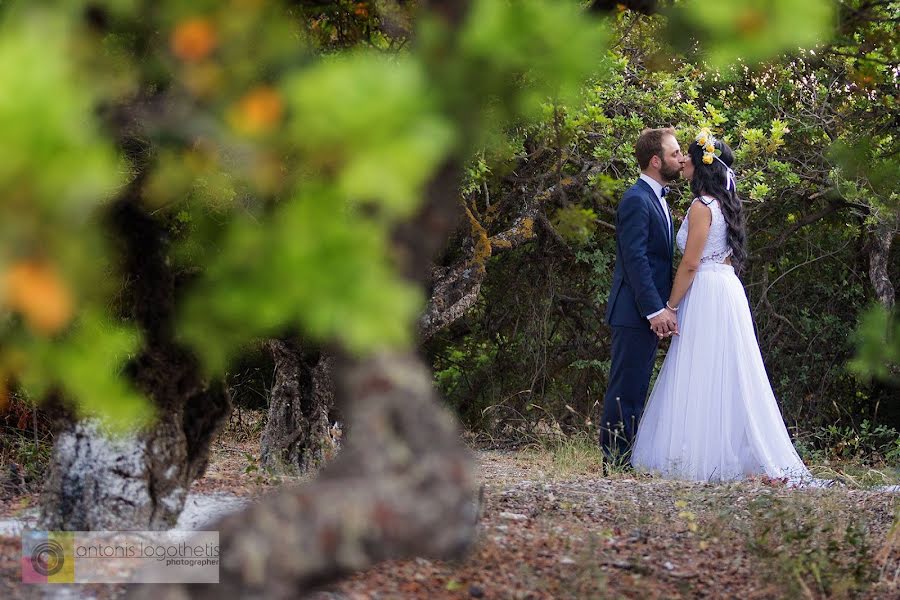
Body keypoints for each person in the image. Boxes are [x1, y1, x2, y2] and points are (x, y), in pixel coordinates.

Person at [630, 128, 811, 482]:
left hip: (707, 290)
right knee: (723, 371)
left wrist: (669, 304)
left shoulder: (702, 206)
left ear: (700, 166)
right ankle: (724, 454)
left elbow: (691, 263)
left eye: (687, 158)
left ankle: (697, 457)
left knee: (701, 369)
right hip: (726, 289)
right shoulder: (724, 203)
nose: (682, 161)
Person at [600, 127, 683, 462]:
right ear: (655, 160)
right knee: (625, 388)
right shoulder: (636, 199)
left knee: (636, 388)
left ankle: (626, 458)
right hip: (633, 312)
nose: (680, 159)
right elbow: (635, 260)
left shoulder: (657, 199)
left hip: (647, 311)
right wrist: (654, 310)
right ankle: (615, 461)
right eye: (674, 153)